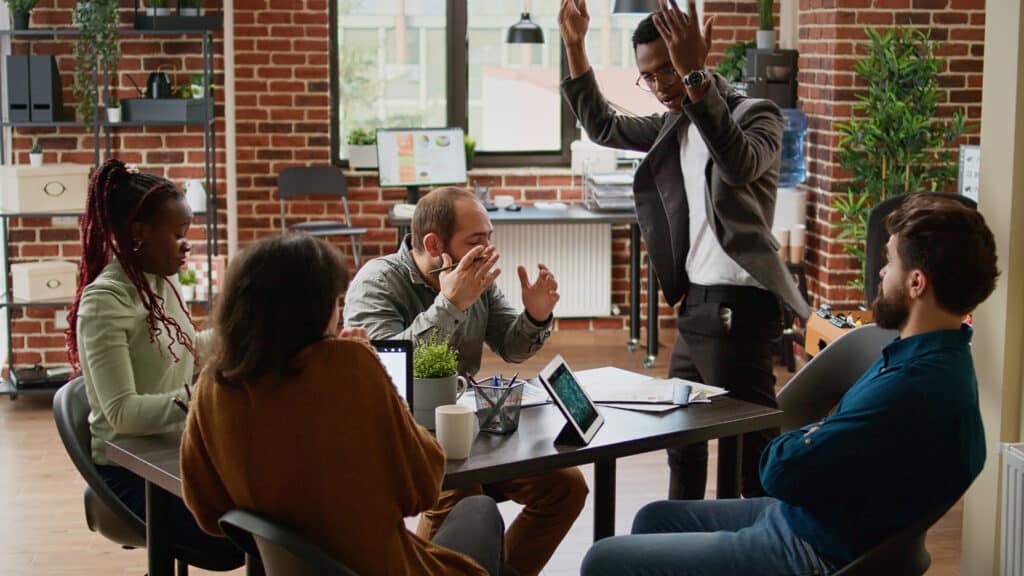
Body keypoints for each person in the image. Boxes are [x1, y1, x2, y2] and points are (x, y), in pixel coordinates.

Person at [580, 194, 998, 575]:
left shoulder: (910, 388)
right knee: (654, 518)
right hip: (808, 515)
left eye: (890, 263)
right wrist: (818, 436)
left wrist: (810, 438)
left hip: (809, 547)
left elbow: (777, 470)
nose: (882, 272)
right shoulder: (932, 355)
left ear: (916, 283)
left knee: (603, 560)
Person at [559, 0, 809, 500]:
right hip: (698, 305)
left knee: (749, 449)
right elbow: (604, 126)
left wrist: (694, 76)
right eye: (648, 77)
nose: (659, 86)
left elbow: (737, 162)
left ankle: (750, 547)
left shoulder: (757, 116)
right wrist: (574, 47)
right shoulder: (674, 125)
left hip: (737, 306)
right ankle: (681, 536)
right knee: (683, 438)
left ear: (694, 59)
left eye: (667, 70)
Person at [180, 235, 506, 576]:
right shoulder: (348, 365)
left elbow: (208, 512)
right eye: (334, 301)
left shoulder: (213, 386)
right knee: (479, 510)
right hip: (381, 568)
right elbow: (424, 485)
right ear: (314, 309)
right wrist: (370, 365)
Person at [344, 186, 587, 576]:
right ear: (434, 242)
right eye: (476, 240)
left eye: (489, 238)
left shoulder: (478, 279)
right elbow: (389, 370)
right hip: (402, 433)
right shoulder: (378, 282)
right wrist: (451, 305)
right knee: (461, 493)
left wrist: (536, 316)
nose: (488, 250)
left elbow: (512, 346)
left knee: (566, 486)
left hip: (464, 426)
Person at [66, 158, 242, 567]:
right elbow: (122, 414)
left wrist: (246, 335)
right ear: (138, 233)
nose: (187, 244)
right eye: (178, 235)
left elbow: (185, 348)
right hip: (131, 467)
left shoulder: (159, 281)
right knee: (238, 536)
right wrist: (202, 398)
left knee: (274, 504)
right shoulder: (105, 302)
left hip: (168, 447)